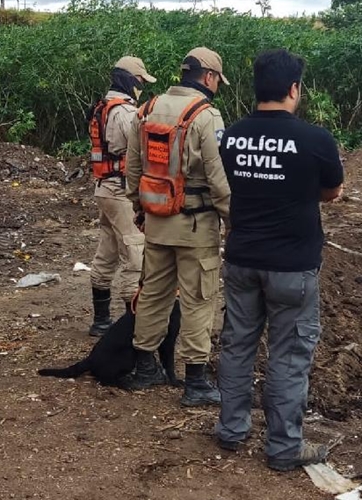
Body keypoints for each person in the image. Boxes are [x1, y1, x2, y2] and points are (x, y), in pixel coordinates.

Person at [213, 48, 344, 472]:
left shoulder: (231, 136)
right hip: (292, 266)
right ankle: (284, 447)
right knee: (288, 356)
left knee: (236, 346)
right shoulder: (316, 140)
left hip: (241, 259)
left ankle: (231, 430)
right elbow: (332, 192)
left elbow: (232, 182)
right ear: (293, 89)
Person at [124, 47, 231, 407]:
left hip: (157, 221)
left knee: (153, 292)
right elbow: (219, 179)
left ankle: (144, 368)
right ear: (210, 77)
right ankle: (196, 380)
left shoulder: (148, 109)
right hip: (196, 226)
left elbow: (134, 168)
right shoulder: (205, 116)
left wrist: (140, 208)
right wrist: (233, 220)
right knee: (200, 298)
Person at [87, 56, 157, 336]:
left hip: (104, 188)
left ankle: (101, 320)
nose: (141, 87)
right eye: (140, 81)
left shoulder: (102, 107)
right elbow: (141, 147)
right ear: (130, 81)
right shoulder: (125, 112)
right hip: (120, 191)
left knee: (107, 251)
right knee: (135, 252)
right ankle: (132, 324)